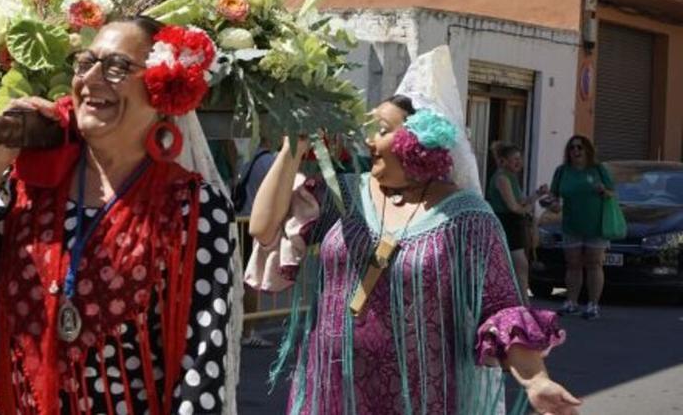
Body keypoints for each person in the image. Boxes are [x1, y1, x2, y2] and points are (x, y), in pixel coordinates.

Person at [0, 18, 235, 414]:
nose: (90, 78)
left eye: (117, 67)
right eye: (85, 62)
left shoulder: (192, 205)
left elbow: (201, 361)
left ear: (161, 86)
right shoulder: (30, 184)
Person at [246, 46, 579, 415]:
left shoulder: (467, 218)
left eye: (382, 131)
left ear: (419, 140)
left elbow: (501, 308)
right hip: (330, 390)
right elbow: (263, 228)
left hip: (420, 398)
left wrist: (536, 380)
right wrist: (295, 143)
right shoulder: (344, 194)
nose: (368, 140)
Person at [540, 135, 615, 320]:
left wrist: (604, 192)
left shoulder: (598, 169)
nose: (576, 151)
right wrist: (550, 203)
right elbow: (554, 197)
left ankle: (593, 305)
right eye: (572, 148)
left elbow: (612, 192)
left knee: (594, 264)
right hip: (571, 224)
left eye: (580, 147)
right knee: (573, 264)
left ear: (587, 150)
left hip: (596, 225)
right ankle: (571, 302)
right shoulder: (562, 171)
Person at [235, 137, 277, 348]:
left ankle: (241, 327)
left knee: (242, 277)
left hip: (241, 220)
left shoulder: (247, 159)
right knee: (252, 279)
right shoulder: (269, 161)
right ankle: (248, 331)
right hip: (256, 224)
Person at [487, 143, 534, 300]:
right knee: (519, 265)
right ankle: (523, 305)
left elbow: (521, 202)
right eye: (514, 159)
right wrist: (527, 210)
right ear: (504, 161)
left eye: (520, 158)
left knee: (520, 266)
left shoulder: (511, 177)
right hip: (505, 222)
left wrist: (537, 195)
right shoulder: (502, 178)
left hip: (514, 224)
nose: (519, 162)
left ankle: (522, 303)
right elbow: (513, 207)